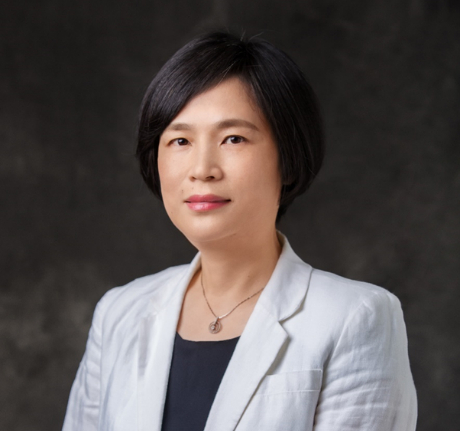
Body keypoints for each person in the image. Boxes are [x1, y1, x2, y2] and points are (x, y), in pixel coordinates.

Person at [62, 32, 417, 431]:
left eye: (233, 138)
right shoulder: (119, 312)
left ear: (289, 157)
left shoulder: (356, 317)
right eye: (180, 140)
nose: (202, 169)